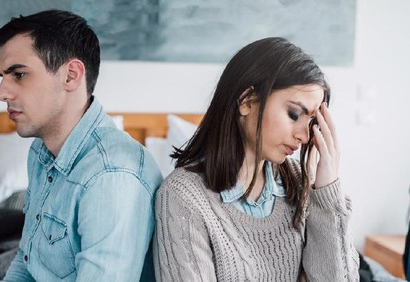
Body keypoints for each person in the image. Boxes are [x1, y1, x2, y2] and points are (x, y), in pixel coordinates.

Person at [153, 37, 360, 281]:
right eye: (294, 114)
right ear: (247, 101)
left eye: (312, 122)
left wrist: (326, 191)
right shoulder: (183, 197)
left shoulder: (299, 184)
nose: (304, 136)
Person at [0, 10, 162, 281]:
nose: (1, 92)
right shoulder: (41, 151)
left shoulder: (112, 176)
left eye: (19, 75)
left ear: (70, 76)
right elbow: (27, 263)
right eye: (2, 76)